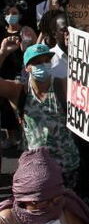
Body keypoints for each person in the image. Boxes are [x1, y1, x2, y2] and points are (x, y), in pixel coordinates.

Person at [0, 42, 80, 189]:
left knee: (65, 207)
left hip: (66, 165)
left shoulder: (62, 85)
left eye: (46, 61)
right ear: (27, 68)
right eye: (37, 62)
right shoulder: (20, 90)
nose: (43, 65)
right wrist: (2, 54)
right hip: (34, 169)